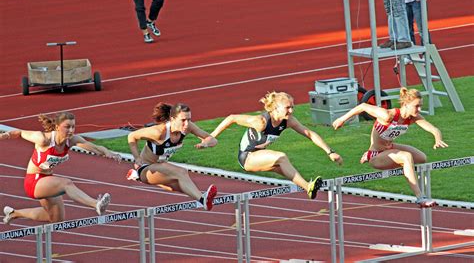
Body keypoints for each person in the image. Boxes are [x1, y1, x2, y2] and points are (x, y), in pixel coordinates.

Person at [210, 92, 343, 199]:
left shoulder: (288, 121)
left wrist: (330, 152)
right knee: (281, 157)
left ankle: (308, 188)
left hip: (259, 156)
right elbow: (232, 118)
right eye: (287, 107)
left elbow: (309, 134)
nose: (291, 110)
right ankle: (308, 187)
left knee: (285, 168)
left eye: (292, 107)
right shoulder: (260, 122)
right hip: (247, 157)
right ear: (275, 108)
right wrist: (211, 137)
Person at [332, 88, 448, 208]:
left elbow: (433, 128)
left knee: (421, 158)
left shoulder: (413, 117)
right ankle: (420, 197)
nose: (419, 109)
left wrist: (437, 138)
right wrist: (342, 119)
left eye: (420, 106)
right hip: (377, 154)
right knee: (406, 157)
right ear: (406, 104)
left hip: (389, 148)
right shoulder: (388, 115)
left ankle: (401, 165)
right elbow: (363, 106)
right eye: (416, 106)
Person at [1, 112, 122, 225]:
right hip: (34, 181)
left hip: (48, 180)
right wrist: (5, 135)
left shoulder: (72, 140)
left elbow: (96, 148)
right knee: (66, 183)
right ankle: (96, 204)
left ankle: (14, 213)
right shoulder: (43, 139)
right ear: (57, 127)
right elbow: (20, 133)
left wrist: (109, 153)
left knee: (56, 218)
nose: (71, 131)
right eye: (67, 127)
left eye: (73, 127)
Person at [126, 102, 218, 210]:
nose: (187, 124)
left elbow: (213, 140)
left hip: (161, 167)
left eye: (189, 119)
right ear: (172, 118)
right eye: (183, 120)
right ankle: (204, 200)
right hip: (146, 169)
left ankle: (135, 176)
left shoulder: (187, 127)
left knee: (179, 185)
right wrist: (137, 158)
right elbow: (131, 136)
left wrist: (205, 143)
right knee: (181, 172)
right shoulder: (159, 132)